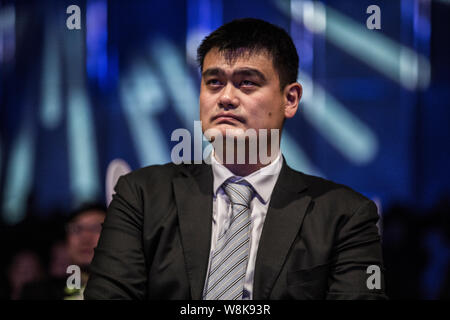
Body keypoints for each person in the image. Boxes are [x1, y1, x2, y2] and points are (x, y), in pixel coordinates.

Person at [85, 18, 387, 300]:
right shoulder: (142, 195)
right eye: (214, 82)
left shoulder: (344, 215)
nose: (226, 97)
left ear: (290, 99)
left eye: (247, 83)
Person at [21, 203, 106, 300]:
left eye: (96, 228)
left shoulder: (124, 291)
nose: (85, 238)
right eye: (76, 229)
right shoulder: (38, 293)